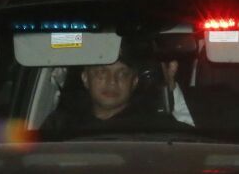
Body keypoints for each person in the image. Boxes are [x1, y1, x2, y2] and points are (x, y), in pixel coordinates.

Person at [40, 47, 185, 137]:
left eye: (122, 74)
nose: (112, 81)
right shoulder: (60, 126)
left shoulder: (155, 129)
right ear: (85, 78)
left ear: (134, 82)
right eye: (102, 72)